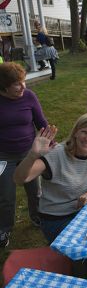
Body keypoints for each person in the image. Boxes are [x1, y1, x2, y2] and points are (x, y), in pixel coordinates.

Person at [14, 113, 87, 244]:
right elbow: (19, 179)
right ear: (75, 133)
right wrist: (32, 155)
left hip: (82, 213)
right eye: (84, 132)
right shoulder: (56, 154)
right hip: (56, 220)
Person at [0, 63, 48, 247]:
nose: (23, 87)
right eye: (17, 84)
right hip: (3, 156)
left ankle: (37, 217)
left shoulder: (28, 96)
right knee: (5, 196)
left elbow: (41, 122)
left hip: (29, 152)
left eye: (23, 81)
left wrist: (49, 142)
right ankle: (4, 229)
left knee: (35, 190)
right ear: (4, 86)